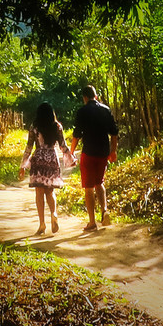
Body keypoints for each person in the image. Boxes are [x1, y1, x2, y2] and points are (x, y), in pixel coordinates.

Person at [68, 85, 118, 232]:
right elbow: (114, 133)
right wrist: (113, 151)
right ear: (95, 96)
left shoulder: (82, 111)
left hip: (88, 153)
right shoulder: (106, 110)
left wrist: (71, 152)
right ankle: (104, 210)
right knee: (100, 182)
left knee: (88, 187)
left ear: (85, 98)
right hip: (103, 152)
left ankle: (92, 222)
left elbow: (76, 135)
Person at [18, 102, 73, 235]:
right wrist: (71, 158)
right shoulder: (57, 126)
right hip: (52, 159)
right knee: (50, 191)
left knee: (39, 192)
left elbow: (29, 147)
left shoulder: (34, 127)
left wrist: (23, 165)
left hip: (39, 159)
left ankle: (42, 224)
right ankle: (54, 214)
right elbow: (63, 145)